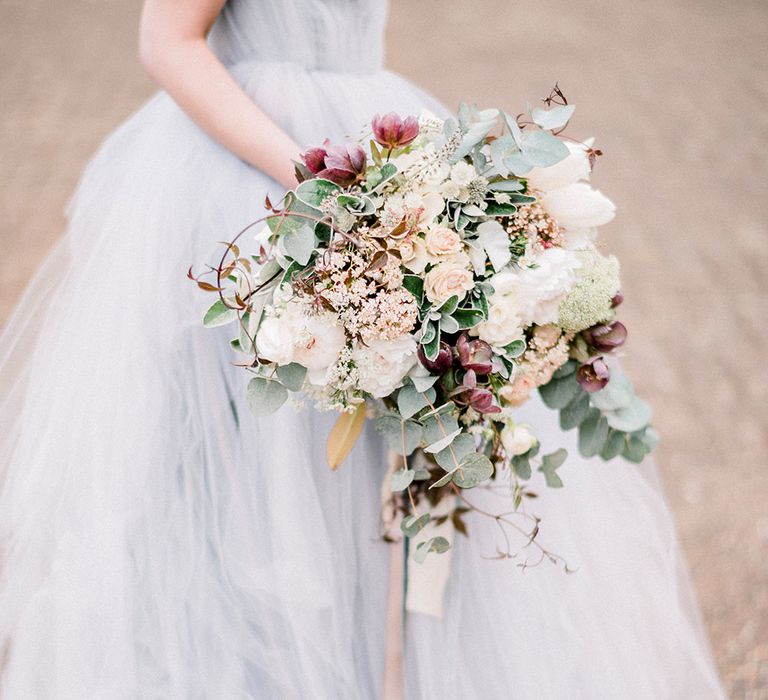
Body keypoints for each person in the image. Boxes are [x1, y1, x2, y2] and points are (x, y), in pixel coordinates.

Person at [0, 1, 725, 697]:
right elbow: (166, 40)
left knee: (376, 467)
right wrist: (317, 185)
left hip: (371, 144)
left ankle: (355, 671)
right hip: (246, 180)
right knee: (244, 474)